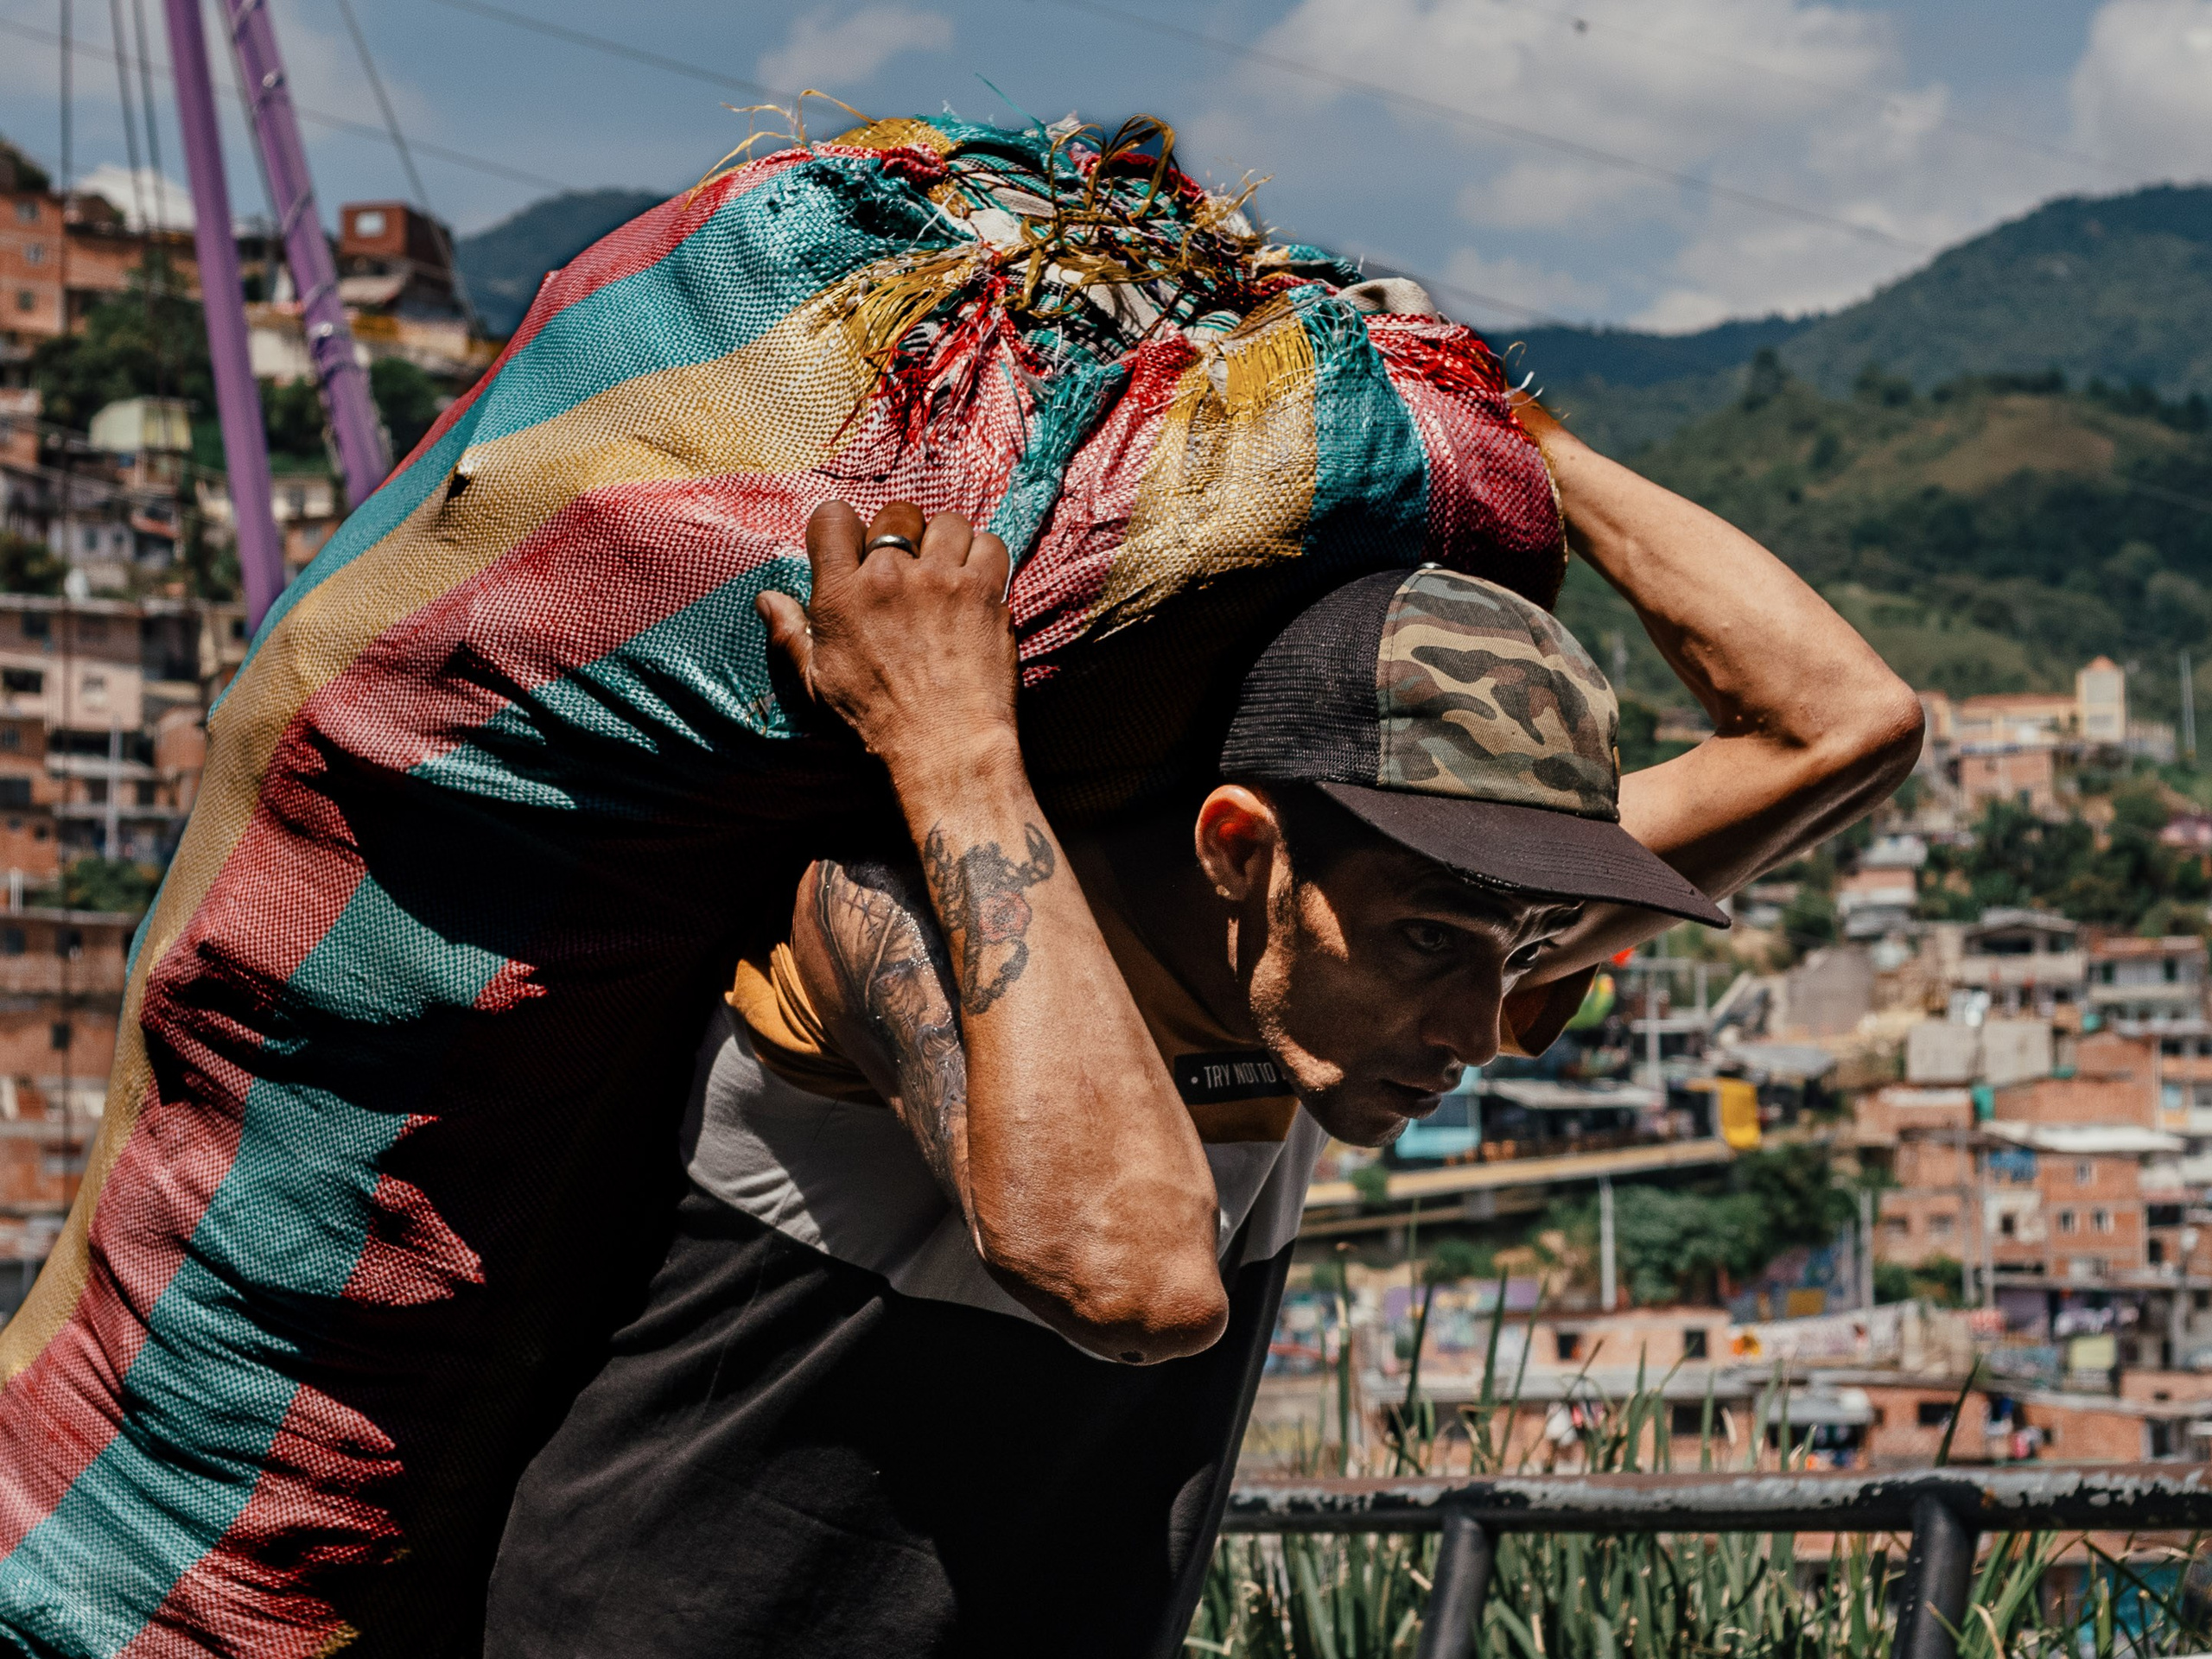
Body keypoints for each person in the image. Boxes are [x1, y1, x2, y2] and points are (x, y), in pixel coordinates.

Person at [482, 400, 1922, 1657]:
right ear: (1241, 850)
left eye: (1516, 943)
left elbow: (1843, 726)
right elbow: (1133, 1280)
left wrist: (1505, 431)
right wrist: (956, 747)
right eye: (1433, 937)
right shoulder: (882, 906)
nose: (1485, 1025)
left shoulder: (1357, 963)